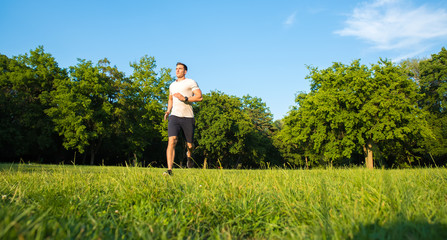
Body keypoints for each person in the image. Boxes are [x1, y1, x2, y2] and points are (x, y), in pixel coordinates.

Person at [163, 62, 202, 176]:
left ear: (185, 71)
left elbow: (199, 97)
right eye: (176, 69)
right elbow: (170, 99)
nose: (177, 70)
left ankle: (189, 157)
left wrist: (185, 98)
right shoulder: (172, 85)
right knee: (172, 140)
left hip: (188, 117)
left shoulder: (190, 82)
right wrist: (168, 111)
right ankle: (169, 170)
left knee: (190, 145)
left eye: (180, 69)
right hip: (174, 116)